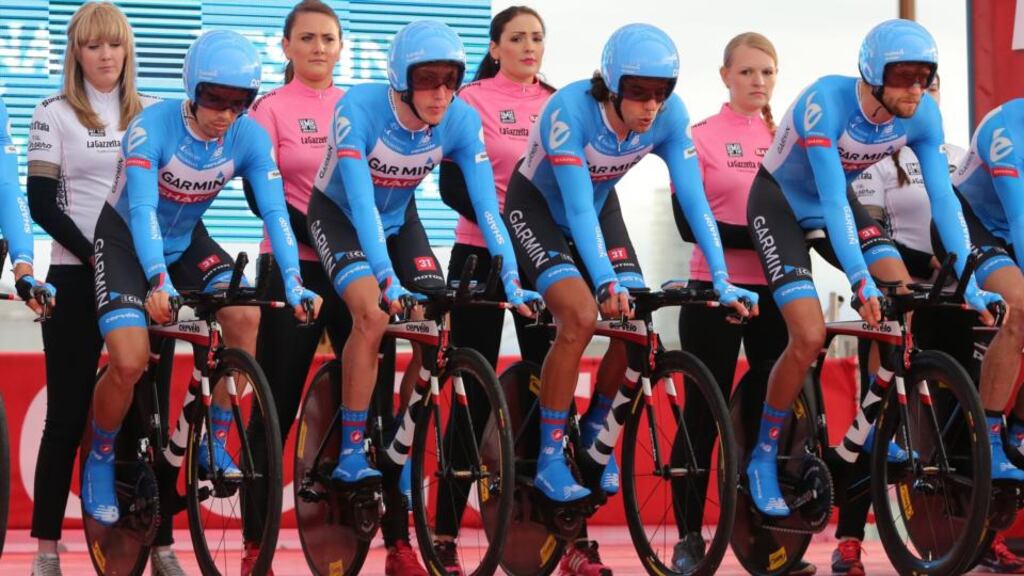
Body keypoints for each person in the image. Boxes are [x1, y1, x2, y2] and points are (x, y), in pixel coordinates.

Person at [504, 23, 758, 575]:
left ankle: (596, 423)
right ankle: (550, 454)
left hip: (598, 206)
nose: (650, 106)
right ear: (611, 86)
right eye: (639, 92)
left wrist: (721, 277)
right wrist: (602, 281)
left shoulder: (668, 115)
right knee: (580, 314)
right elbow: (572, 212)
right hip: (539, 210)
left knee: (639, 319)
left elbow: (695, 200)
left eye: (660, 92)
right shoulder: (569, 111)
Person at [744, 18, 1009, 523]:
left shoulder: (923, 115)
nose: (916, 88)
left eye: (925, 76)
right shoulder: (827, 101)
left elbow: (944, 203)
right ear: (871, 74)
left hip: (836, 202)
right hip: (781, 201)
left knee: (901, 299)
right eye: (904, 75)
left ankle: (876, 427)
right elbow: (830, 200)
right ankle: (762, 454)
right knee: (807, 333)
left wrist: (971, 280)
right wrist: (859, 280)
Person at [306, 18, 540, 575]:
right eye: (427, 80)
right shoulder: (359, 110)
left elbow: (489, 205)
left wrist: (510, 275)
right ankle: (355, 448)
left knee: (435, 325)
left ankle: (402, 431)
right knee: (371, 313)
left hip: (399, 218)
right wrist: (386, 280)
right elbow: (360, 206)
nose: (440, 93)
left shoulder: (459, 117)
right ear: (400, 79)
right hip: (340, 217)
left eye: (450, 81)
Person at [82, 30, 321, 558]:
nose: (225, 113)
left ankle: (214, 435)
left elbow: (278, 213)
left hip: (186, 238)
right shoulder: (151, 127)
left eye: (239, 103)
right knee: (128, 361)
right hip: (126, 240)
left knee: (243, 314)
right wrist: (158, 281)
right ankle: (98, 456)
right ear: (192, 89)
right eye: (215, 98)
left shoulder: (249, 136)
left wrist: (297, 280)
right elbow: (142, 211)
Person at [835, 75, 1024, 575]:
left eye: (931, 84)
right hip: (898, 297)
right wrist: (901, 279)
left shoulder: (957, 154)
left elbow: (962, 223)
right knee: (875, 417)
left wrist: (960, 270)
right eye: (911, 83)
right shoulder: (867, 160)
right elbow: (865, 230)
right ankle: (850, 536)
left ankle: (979, 537)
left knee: (961, 417)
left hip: (952, 293)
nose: (921, 93)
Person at [671, 31, 813, 576]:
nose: (758, 82)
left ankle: (766, 545)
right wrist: (768, 232)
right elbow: (690, 223)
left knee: (763, 421)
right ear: (725, 76)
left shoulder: (786, 140)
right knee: (703, 420)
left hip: (778, 293)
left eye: (767, 73)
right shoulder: (700, 136)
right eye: (748, 72)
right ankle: (688, 538)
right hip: (714, 291)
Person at [23, 3, 156, 574]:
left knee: (144, 414)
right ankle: (47, 551)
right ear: (75, 52)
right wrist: (100, 254)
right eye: (92, 46)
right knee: (68, 413)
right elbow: (40, 205)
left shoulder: (149, 114)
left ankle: (159, 547)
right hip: (75, 275)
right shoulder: (52, 113)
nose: (105, 56)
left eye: (114, 45)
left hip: (136, 278)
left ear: (127, 52)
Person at [432, 6, 555, 572]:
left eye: (537, 37)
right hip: (477, 255)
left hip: (539, 258)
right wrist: (500, 222)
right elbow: (451, 181)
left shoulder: (557, 101)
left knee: (540, 389)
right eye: (517, 38)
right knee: (472, 391)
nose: (529, 47)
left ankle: (547, 534)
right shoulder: (472, 97)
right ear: (496, 46)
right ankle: (445, 534)